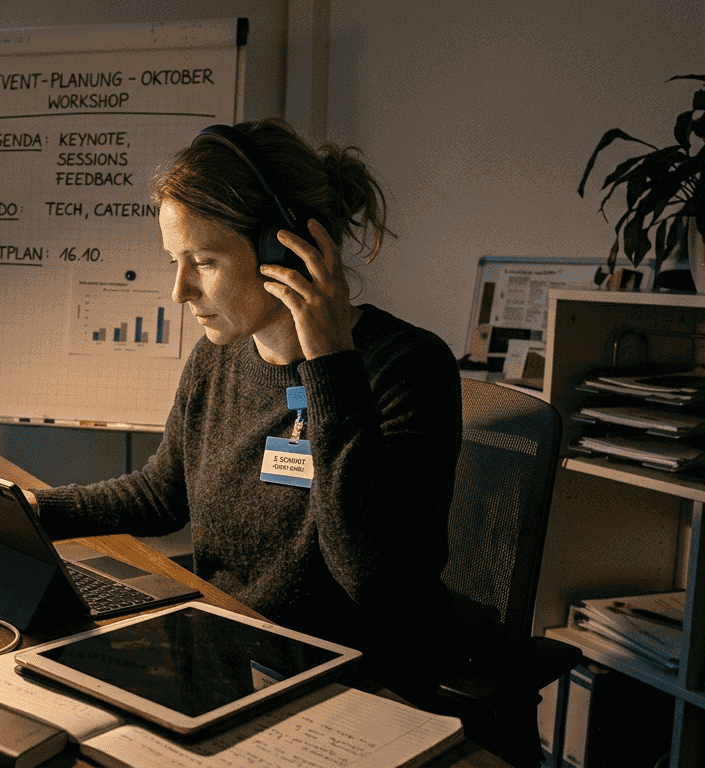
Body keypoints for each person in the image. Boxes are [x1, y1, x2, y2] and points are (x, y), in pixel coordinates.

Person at [30, 117, 463, 697]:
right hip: (230, 653)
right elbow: (161, 494)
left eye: (204, 262)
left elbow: (374, 578)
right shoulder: (218, 361)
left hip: (355, 683)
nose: (180, 291)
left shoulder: (407, 366)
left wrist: (330, 364)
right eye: (173, 261)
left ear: (285, 248)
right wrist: (29, 510)